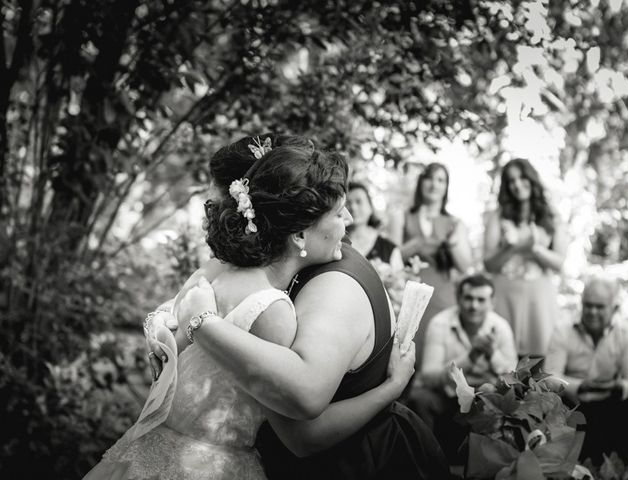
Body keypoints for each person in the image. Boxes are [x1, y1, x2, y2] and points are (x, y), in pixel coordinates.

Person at [84, 140, 422, 480]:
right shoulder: (274, 309)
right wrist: (392, 388)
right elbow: (302, 430)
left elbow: (168, 320)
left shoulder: (215, 273)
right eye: (338, 212)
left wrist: (161, 330)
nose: (349, 219)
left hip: (149, 451)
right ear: (300, 235)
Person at [407, 273, 518, 463]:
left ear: (492, 302)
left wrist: (493, 355)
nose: (473, 306)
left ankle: (485, 469)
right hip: (445, 394)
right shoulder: (440, 323)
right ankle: (426, 465)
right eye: (468, 298)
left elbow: (514, 379)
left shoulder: (501, 327)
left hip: (483, 395)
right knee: (419, 397)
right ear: (458, 298)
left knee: (495, 397)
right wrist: (470, 357)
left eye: (481, 300)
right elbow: (428, 375)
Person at [545, 275, 628, 463]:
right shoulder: (563, 328)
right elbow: (550, 377)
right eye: (588, 305)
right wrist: (579, 387)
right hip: (572, 400)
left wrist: (618, 388)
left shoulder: (627, 331)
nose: (592, 312)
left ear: (614, 308)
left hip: (611, 400)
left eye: (599, 306)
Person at [483, 158, 568, 358]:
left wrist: (536, 249)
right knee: (502, 357)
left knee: (539, 360)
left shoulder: (552, 216)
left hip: (539, 300)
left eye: (522, 178)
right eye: (511, 181)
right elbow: (488, 264)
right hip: (504, 296)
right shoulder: (498, 216)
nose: (517, 184)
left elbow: (559, 263)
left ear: (531, 178)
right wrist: (511, 248)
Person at [394, 163, 473, 372]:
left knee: (437, 359)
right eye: (430, 178)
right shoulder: (402, 216)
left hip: (443, 299)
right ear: (421, 182)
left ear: (447, 187)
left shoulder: (455, 223)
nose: (434, 184)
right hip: (406, 298)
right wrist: (418, 243)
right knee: (403, 355)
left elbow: (465, 266)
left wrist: (452, 243)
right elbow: (390, 259)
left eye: (441, 180)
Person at [346, 181, 403, 271]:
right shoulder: (336, 245)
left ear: (370, 207)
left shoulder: (389, 249)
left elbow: (399, 281)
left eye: (358, 202)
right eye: (348, 203)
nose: (353, 207)